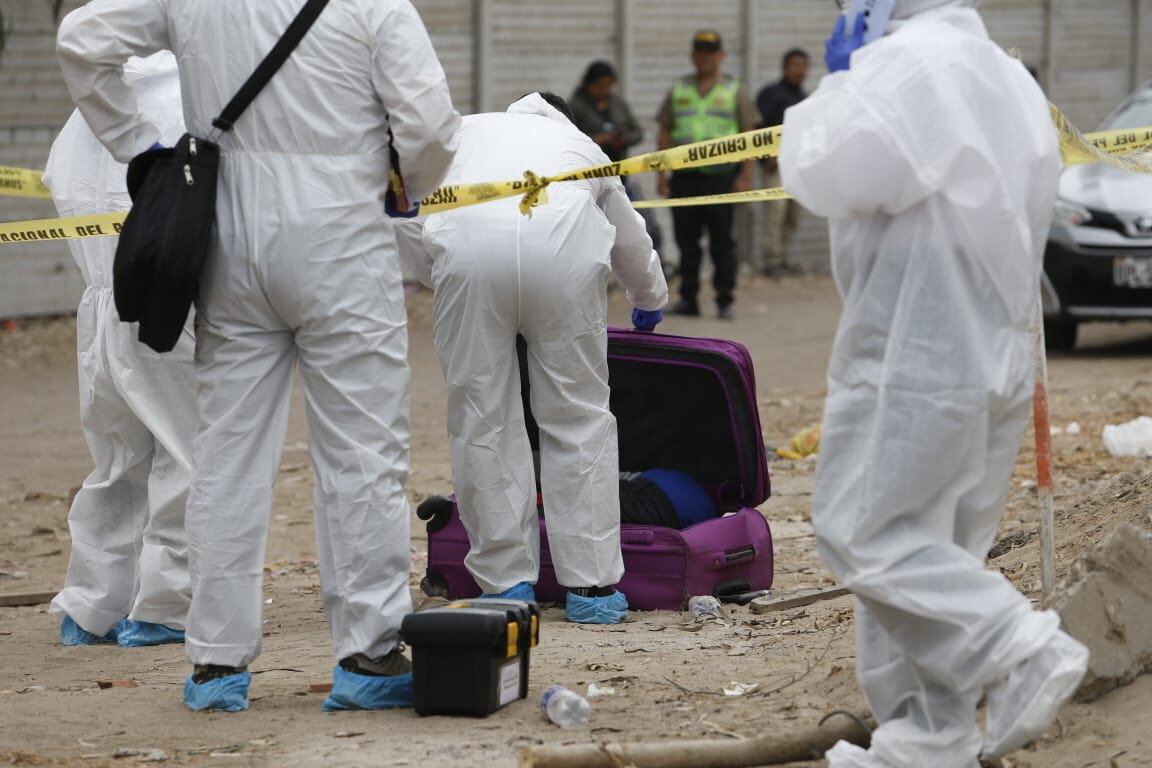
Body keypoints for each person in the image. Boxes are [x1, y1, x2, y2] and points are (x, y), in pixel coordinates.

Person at [57, 0, 461, 713]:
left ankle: (216, 663)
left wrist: (139, 147)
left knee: (226, 453)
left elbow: (82, 39)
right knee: (363, 453)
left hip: (229, 233)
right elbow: (429, 128)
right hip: (344, 235)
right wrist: (411, 188)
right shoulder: (376, 5)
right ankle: (367, 654)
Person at [779, 2, 1089, 766]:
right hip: (992, 347)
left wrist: (839, 85)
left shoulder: (908, 64)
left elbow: (823, 172)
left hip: (915, 348)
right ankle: (927, 737)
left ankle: (1021, 650)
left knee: (866, 533)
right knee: (929, 552)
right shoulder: (1008, 78)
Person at [394, 92, 667, 626]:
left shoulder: (464, 134)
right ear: (562, 115)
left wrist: (448, 272)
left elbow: (409, 221)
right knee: (578, 415)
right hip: (563, 264)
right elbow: (630, 239)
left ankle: (506, 582)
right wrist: (648, 300)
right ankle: (589, 585)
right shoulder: (580, 145)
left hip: (469, 261)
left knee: (482, 417)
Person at [43, 52, 194, 651]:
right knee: (186, 453)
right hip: (173, 302)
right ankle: (165, 606)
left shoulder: (87, 107)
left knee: (115, 461)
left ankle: (92, 607)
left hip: (100, 304)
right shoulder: (193, 94)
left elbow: (58, 181)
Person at [656, 30, 758, 320]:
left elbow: (749, 134)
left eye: (710, 51)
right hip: (684, 178)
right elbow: (664, 131)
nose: (704, 57)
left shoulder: (734, 89)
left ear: (720, 56)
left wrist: (744, 177)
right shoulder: (679, 89)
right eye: (699, 51)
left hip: (721, 178)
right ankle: (689, 299)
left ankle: (725, 299)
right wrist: (662, 174)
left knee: (722, 242)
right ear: (692, 56)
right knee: (686, 243)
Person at [753, 48, 809, 276]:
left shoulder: (804, 98)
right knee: (775, 212)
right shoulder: (771, 94)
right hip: (775, 166)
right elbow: (757, 129)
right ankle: (771, 261)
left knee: (793, 216)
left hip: (796, 167)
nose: (799, 70)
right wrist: (768, 157)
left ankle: (784, 257)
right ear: (784, 67)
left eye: (803, 66)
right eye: (795, 65)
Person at [569, 61, 643, 164]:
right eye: (600, 86)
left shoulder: (618, 104)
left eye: (608, 86)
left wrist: (624, 139)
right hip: (589, 166)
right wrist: (597, 139)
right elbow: (568, 139)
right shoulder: (576, 106)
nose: (604, 91)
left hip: (618, 165)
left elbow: (637, 133)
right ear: (589, 84)